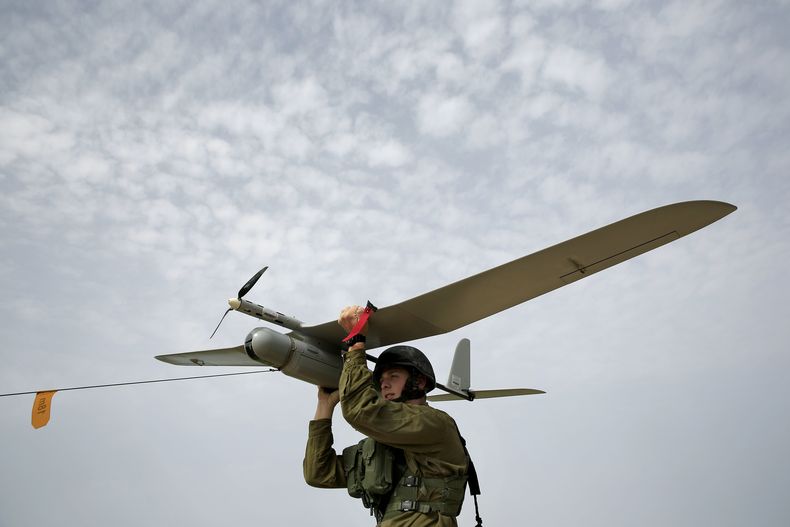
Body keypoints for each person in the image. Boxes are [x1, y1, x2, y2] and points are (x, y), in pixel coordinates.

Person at [303, 305, 470, 526]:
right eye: (381, 381)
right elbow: (319, 473)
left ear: (418, 382)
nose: (385, 385)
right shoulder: (381, 448)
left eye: (393, 376)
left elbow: (361, 411)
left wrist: (356, 341)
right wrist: (324, 406)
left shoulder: (436, 424)